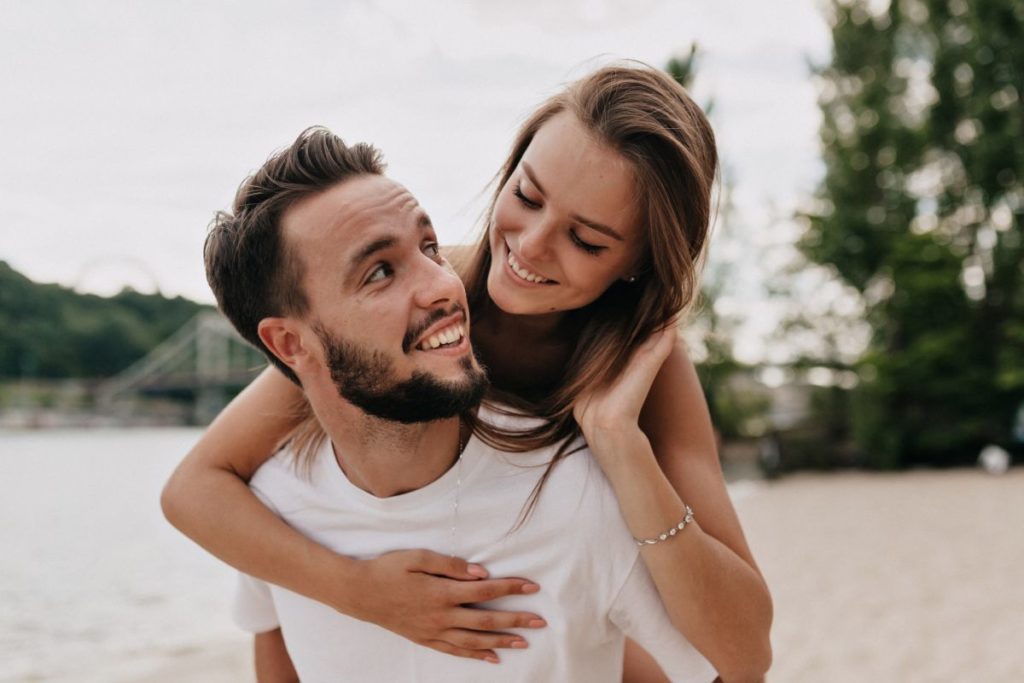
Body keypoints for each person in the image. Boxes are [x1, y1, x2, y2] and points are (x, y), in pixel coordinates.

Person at [163, 63, 772, 682]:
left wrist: (619, 441)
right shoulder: (424, 305)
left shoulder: (643, 367)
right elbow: (197, 487)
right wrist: (363, 593)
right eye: (527, 196)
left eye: (586, 240)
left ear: (638, 265)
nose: (531, 245)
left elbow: (745, 650)